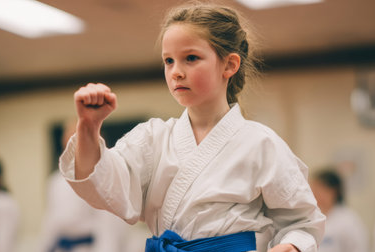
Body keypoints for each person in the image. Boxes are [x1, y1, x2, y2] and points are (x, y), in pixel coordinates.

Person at [59, 2, 325, 252]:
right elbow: (102, 185)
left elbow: (302, 222)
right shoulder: (153, 138)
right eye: (169, 61)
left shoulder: (261, 143)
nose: (176, 71)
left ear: (229, 65)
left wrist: (290, 246)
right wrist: (89, 127)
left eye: (191, 58)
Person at [38, 121, 141, 252]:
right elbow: (50, 222)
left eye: (77, 139)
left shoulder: (103, 177)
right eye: (69, 139)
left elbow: (108, 228)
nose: (73, 144)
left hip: (90, 247)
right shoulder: (55, 181)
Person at [310, 169, 369, 252]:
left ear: (333, 191)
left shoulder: (348, 220)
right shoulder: (310, 218)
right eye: (313, 189)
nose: (314, 193)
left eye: (319, 189)